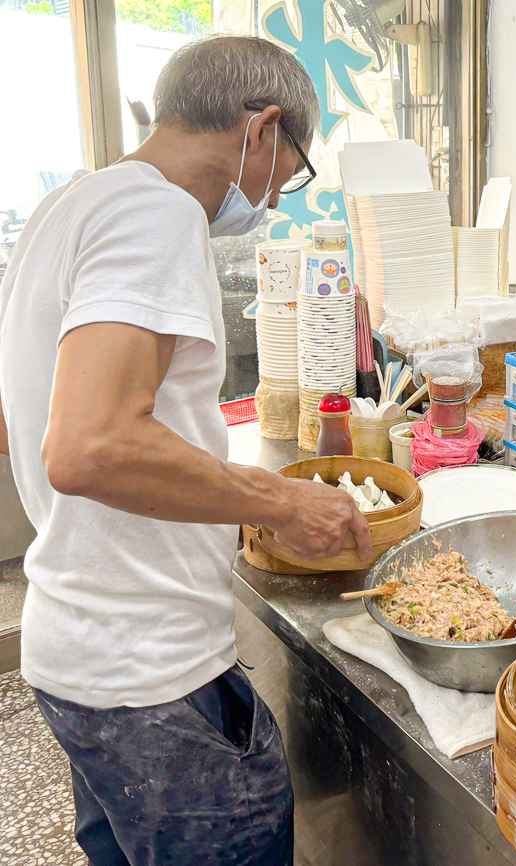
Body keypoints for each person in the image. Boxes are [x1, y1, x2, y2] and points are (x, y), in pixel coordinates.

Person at [0, 36, 370, 864]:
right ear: (263, 129)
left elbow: (21, 415)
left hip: (74, 651)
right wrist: (281, 500)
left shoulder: (74, 202)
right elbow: (88, 446)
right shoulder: (157, 212)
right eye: (292, 169)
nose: (276, 196)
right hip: (151, 678)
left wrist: (210, 500)